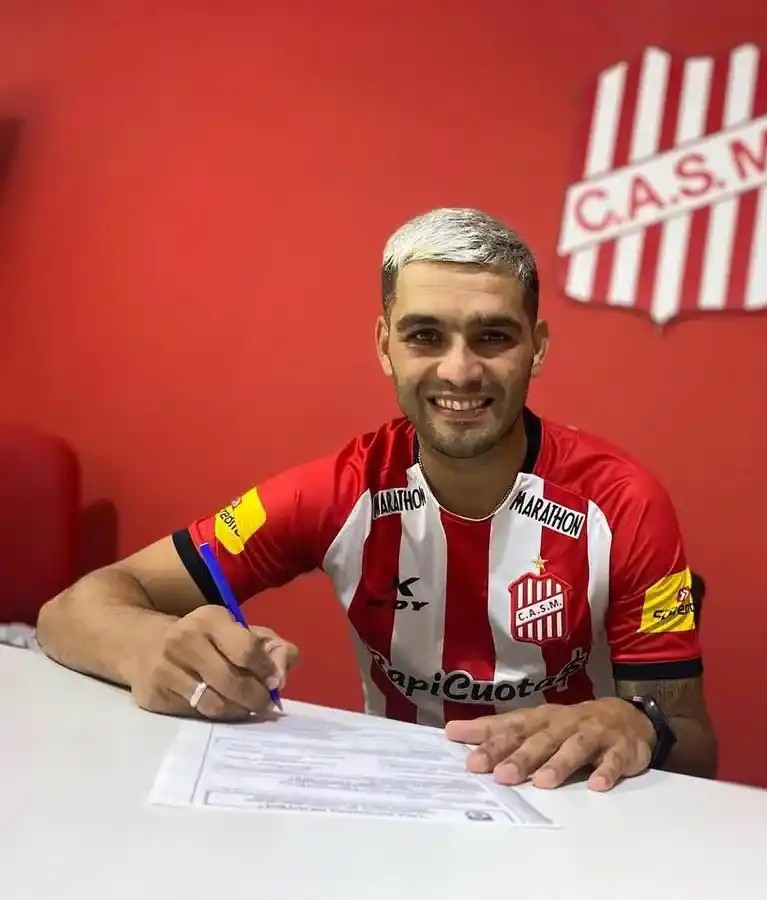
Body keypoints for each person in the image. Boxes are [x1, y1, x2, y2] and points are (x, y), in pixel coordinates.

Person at [36, 207, 717, 791]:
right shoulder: (336, 492)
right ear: (384, 345)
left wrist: (640, 725)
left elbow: (693, 744)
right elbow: (71, 609)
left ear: (535, 349)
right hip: (394, 811)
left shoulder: (623, 502)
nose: (459, 370)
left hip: (573, 814)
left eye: (493, 336)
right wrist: (153, 647)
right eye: (425, 335)